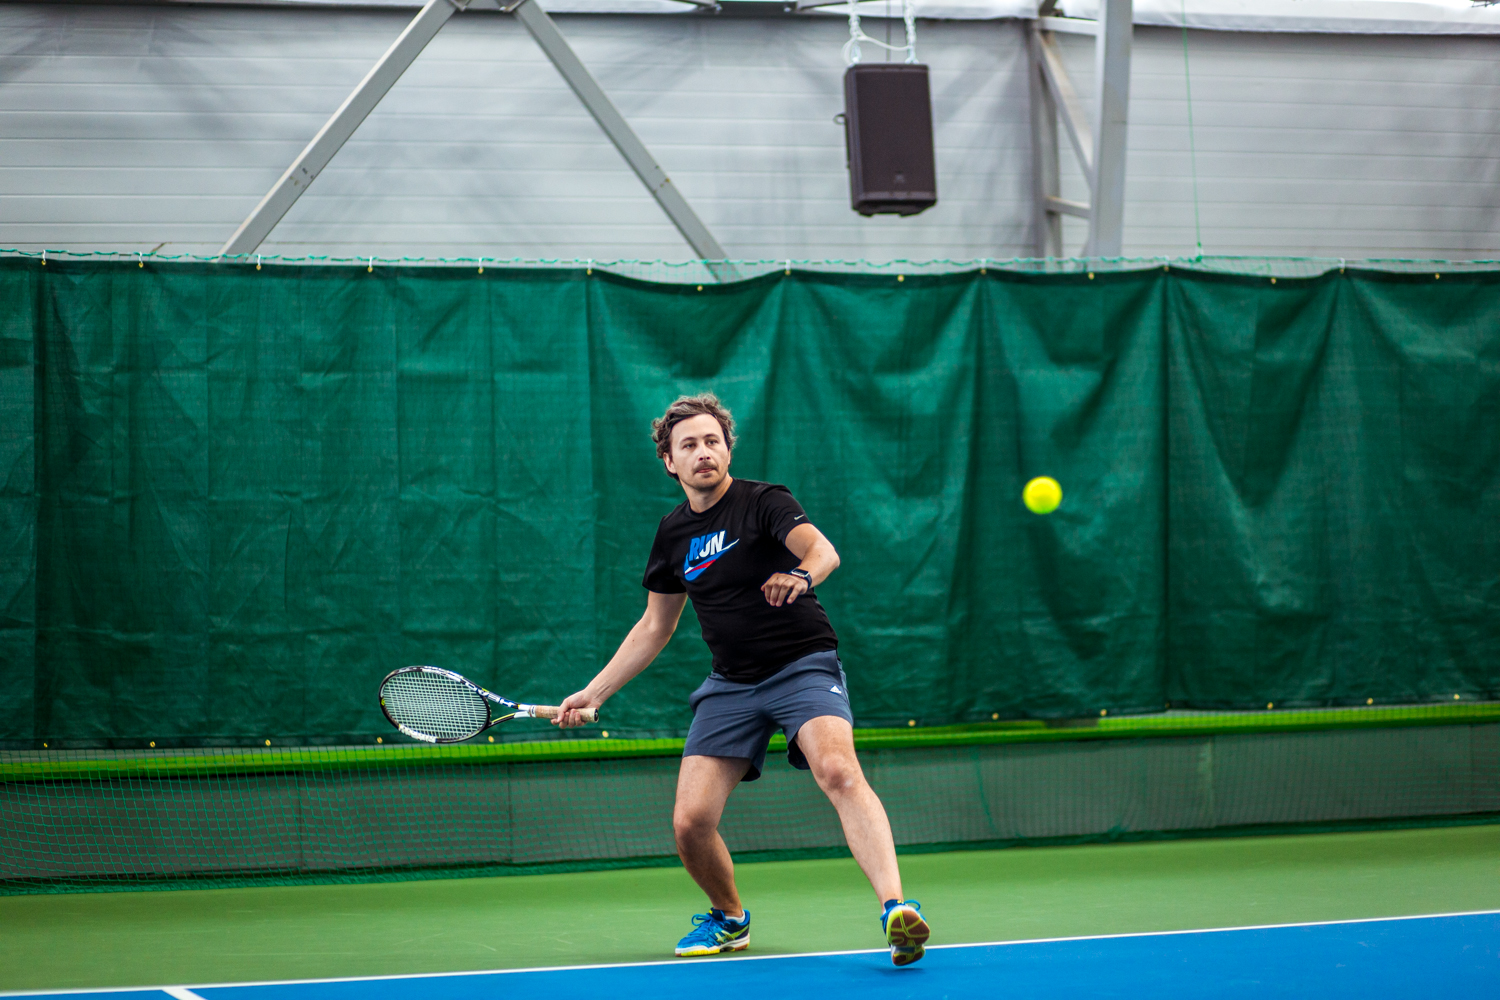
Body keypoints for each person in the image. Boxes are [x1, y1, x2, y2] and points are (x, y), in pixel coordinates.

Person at [555, 392, 930, 967]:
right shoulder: (673, 533)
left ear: (727, 448)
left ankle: (896, 909)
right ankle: (729, 920)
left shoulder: (764, 502)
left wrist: (801, 575)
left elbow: (822, 551)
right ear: (669, 462)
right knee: (690, 823)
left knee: (837, 769)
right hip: (730, 684)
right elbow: (656, 625)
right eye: (689, 445)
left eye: (712, 441)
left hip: (802, 663)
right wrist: (595, 691)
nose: (703, 452)